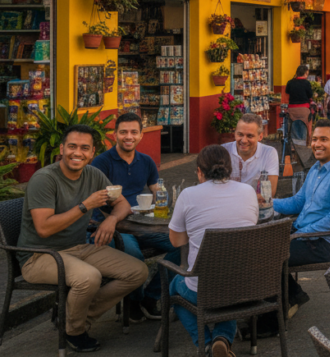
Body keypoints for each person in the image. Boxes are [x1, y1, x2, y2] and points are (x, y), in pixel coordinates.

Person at [18, 126, 149, 352]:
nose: (77, 153)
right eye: (72, 146)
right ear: (62, 149)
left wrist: (110, 220)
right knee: (89, 277)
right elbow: (44, 229)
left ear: (92, 153)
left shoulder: (93, 174)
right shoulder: (44, 179)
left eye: (84, 148)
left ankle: (73, 318)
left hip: (78, 247)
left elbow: (123, 204)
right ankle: (75, 330)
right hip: (39, 255)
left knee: (138, 271)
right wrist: (85, 206)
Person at [169, 145, 258, 357]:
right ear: (230, 169)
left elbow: (176, 241)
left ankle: (206, 344)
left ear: (199, 171)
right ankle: (222, 339)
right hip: (248, 287)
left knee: (175, 286)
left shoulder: (188, 195)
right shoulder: (248, 191)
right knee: (229, 284)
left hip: (204, 289)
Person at [90, 112, 179, 320]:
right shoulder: (101, 163)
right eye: (123, 132)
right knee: (134, 256)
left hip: (142, 224)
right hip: (111, 226)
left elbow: (158, 191)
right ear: (114, 135)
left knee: (185, 245)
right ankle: (134, 303)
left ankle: (150, 297)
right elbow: (100, 202)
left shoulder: (146, 161)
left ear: (141, 136)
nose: (128, 137)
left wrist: (171, 205)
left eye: (133, 132)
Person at [272, 118, 330, 314]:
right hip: (304, 234)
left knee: (268, 256)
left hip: (323, 243)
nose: (317, 144)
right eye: (315, 139)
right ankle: (291, 297)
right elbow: (298, 202)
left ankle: (276, 312)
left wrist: (300, 233)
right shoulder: (315, 170)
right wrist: (266, 202)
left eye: (324, 139)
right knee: (258, 243)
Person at [224, 113, 279, 193]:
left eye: (249, 136)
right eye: (240, 134)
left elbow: (269, 194)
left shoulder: (269, 153)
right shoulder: (223, 151)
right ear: (235, 134)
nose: (244, 140)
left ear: (260, 137)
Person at [284, 65, 314, 146]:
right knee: (308, 124)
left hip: (292, 109)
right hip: (304, 109)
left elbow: (287, 97)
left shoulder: (290, 82)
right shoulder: (307, 83)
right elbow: (310, 96)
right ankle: (307, 143)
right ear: (306, 73)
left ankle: (294, 144)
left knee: (292, 125)